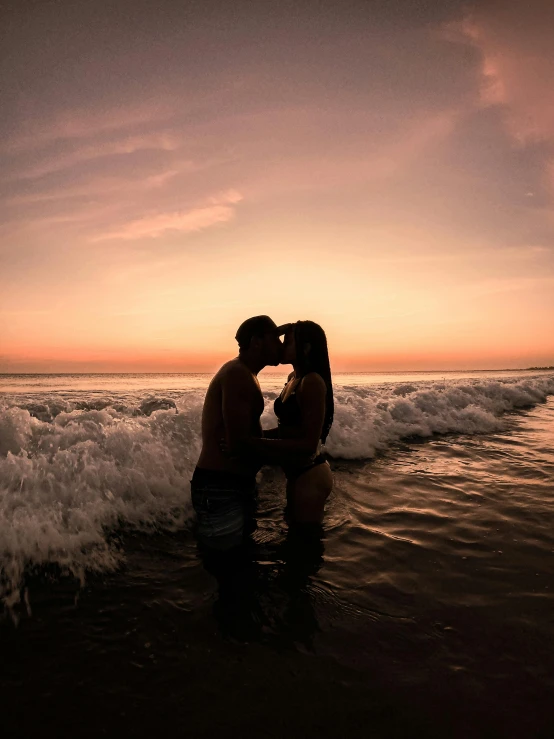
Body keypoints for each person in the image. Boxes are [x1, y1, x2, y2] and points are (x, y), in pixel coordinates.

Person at [190, 315, 288, 551]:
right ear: (256, 342)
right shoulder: (237, 375)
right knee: (227, 566)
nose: (281, 346)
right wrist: (298, 449)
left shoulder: (245, 373)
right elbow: (239, 444)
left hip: (231, 485)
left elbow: (246, 441)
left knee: (240, 562)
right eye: (276, 339)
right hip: (220, 487)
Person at [236, 320, 334, 524]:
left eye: (287, 342)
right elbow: (288, 430)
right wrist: (253, 438)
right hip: (297, 474)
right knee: (295, 538)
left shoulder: (313, 381)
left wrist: (253, 443)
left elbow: (308, 444)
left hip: (310, 475)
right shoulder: (293, 377)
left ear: (305, 348)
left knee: (306, 544)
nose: (281, 346)